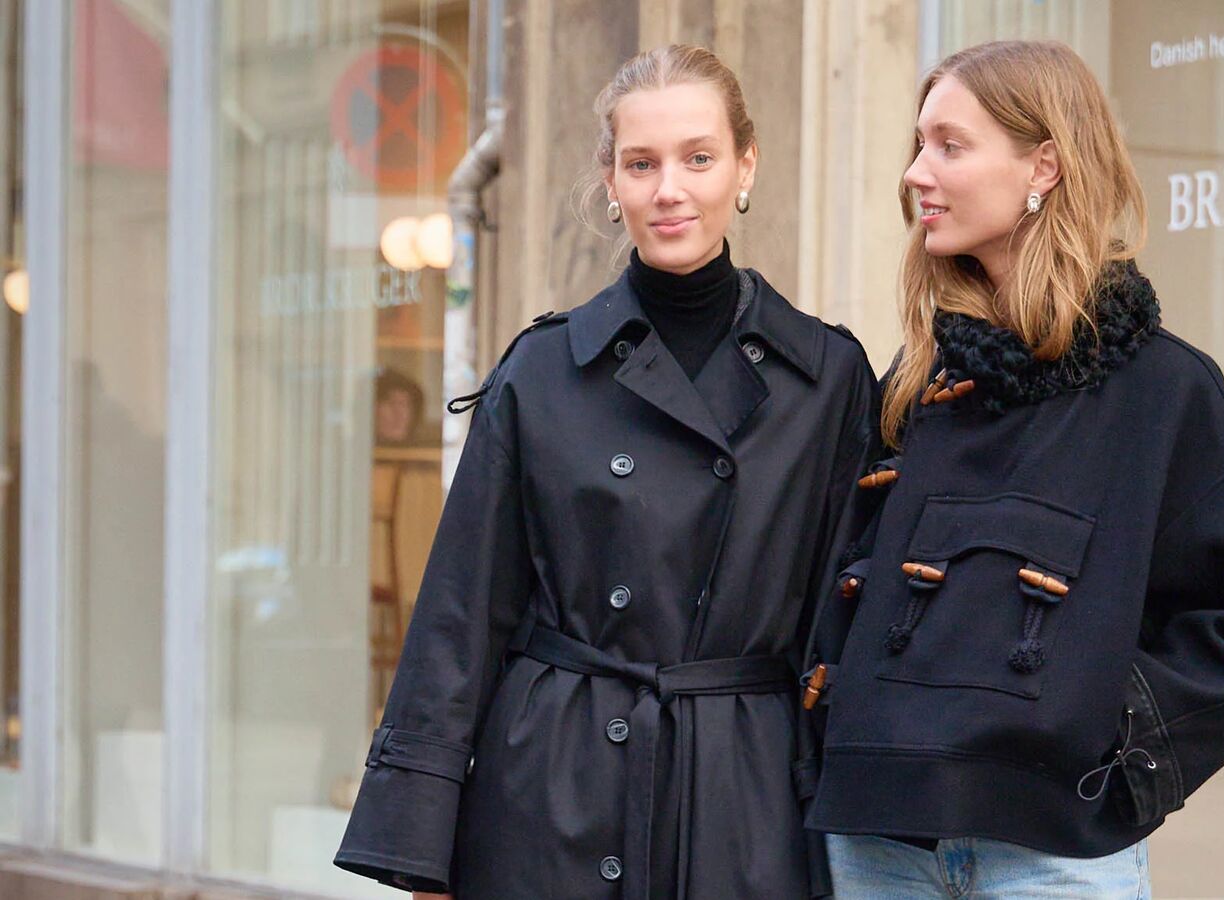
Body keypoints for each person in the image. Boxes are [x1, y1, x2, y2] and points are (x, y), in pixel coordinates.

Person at [335, 44, 878, 899]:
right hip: (552, 789)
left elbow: (843, 626)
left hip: (742, 798)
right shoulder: (544, 371)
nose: (671, 189)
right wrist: (420, 843)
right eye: (642, 163)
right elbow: (461, 612)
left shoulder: (827, 378)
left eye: (698, 158)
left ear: (746, 165)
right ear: (611, 181)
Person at [800, 40, 1224, 898]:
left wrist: (1109, 736)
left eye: (949, 145)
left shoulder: (1161, 389)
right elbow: (836, 592)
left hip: (1054, 859)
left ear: (1043, 162)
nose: (915, 173)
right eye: (916, 144)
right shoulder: (913, 382)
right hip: (876, 845)